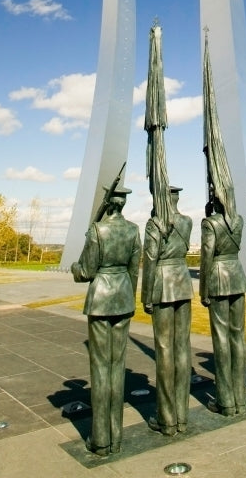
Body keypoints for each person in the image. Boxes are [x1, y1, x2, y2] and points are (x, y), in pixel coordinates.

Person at [71, 185, 141, 457]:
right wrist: (129, 297)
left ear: (108, 203)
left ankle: (101, 439)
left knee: (101, 368)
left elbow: (87, 270)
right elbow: (135, 270)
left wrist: (76, 270)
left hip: (101, 299)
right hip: (123, 296)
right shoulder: (133, 230)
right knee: (117, 365)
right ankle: (117, 435)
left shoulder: (98, 230)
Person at [142, 186, 193, 437]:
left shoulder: (154, 224)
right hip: (183, 284)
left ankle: (167, 418)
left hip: (162, 285)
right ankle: (182, 417)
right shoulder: (187, 222)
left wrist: (146, 296)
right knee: (183, 348)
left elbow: (150, 260)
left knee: (164, 350)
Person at [199, 196, 246, 416]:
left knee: (221, 338)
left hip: (219, 279)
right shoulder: (239, 220)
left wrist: (203, 288)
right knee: (238, 336)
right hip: (237, 277)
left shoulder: (210, 223)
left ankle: (225, 401)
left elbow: (208, 254)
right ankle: (240, 398)